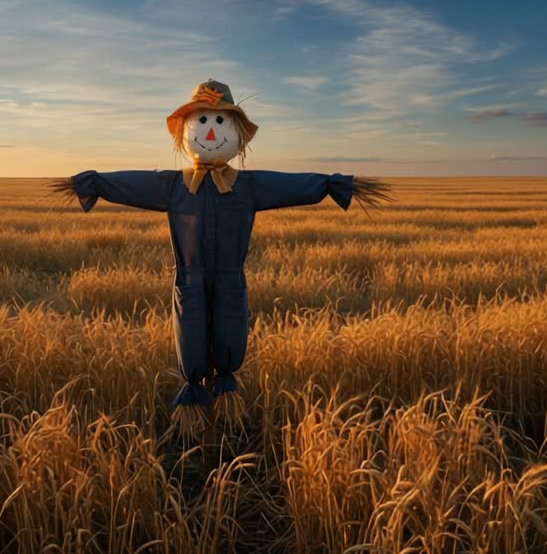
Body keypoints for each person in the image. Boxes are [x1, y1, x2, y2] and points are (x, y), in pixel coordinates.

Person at [51, 79, 392, 435]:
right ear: (185, 131)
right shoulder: (173, 185)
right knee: (191, 338)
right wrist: (94, 183)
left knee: (231, 336)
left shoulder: (249, 185)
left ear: (238, 136)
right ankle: (194, 414)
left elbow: (294, 184)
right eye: (201, 122)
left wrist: (330, 184)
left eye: (220, 123)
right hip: (190, 278)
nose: (210, 133)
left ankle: (227, 412)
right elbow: (129, 183)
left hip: (231, 278)